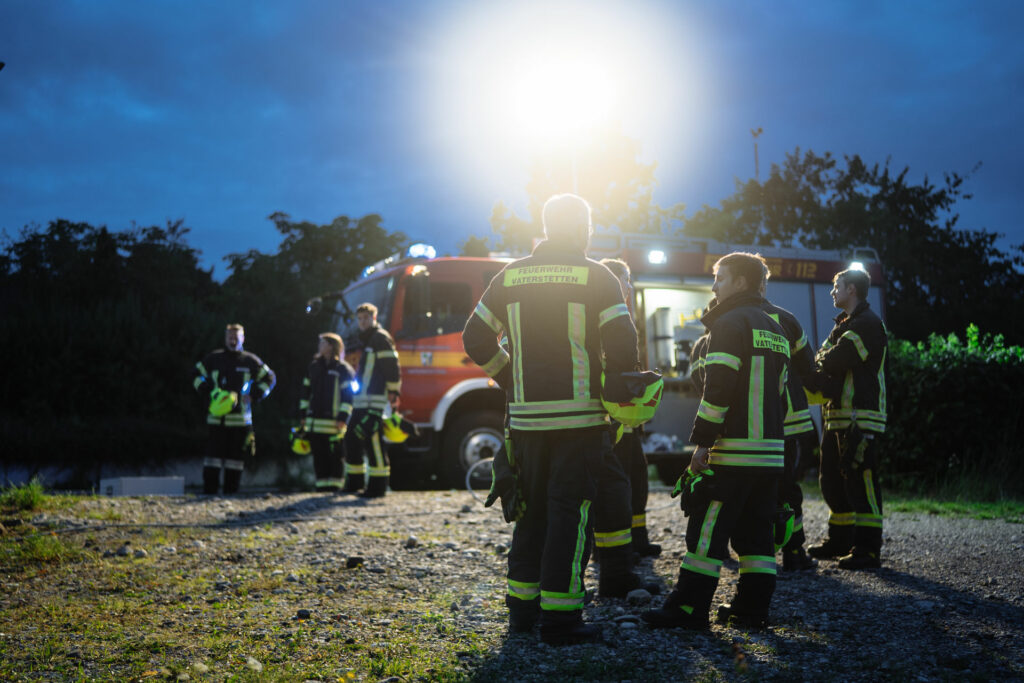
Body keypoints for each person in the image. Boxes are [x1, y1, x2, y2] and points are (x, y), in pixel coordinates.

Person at [462, 193, 639, 645]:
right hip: (579, 421)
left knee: (530, 511)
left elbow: (475, 336)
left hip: (524, 422)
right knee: (571, 513)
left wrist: (510, 380)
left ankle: (522, 612)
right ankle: (561, 619)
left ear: (545, 227)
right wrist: (619, 396)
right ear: (584, 228)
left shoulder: (511, 275)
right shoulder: (597, 275)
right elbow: (621, 345)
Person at [643, 252, 789, 630]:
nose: (713, 286)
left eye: (719, 279)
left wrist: (702, 444)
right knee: (757, 538)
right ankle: (751, 610)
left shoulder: (728, 324)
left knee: (706, 532)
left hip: (733, 454)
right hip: (770, 455)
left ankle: (688, 609)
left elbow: (718, 389)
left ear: (740, 282)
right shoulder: (776, 329)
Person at [806, 268, 887, 570]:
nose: (832, 292)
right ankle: (840, 540)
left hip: (859, 417)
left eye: (836, 286)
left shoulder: (867, 324)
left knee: (861, 480)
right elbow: (823, 361)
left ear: (852, 289)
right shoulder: (844, 324)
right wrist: (822, 360)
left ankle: (868, 550)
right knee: (832, 481)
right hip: (837, 416)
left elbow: (835, 359)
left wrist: (822, 360)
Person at [599, 258, 662, 560]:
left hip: (624, 417)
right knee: (615, 485)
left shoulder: (620, 314)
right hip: (607, 418)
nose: (629, 285)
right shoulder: (599, 315)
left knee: (636, 478)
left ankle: (638, 539)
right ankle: (610, 550)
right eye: (625, 279)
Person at [760, 280, 819, 571]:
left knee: (754, 488)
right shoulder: (787, 319)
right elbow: (808, 365)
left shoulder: (732, 321)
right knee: (787, 488)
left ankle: (758, 554)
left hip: (750, 423)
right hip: (790, 420)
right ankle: (794, 552)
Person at [193, 324, 276, 495]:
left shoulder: (250, 360)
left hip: (239, 421)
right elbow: (195, 373)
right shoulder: (214, 358)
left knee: (235, 462)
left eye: (236, 338)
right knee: (212, 461)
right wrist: (207, 391)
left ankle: (230, 496)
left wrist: (255, 394)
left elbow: (270, 378)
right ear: (225, 338)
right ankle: (209, 496)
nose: (233, 341)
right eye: (230, 337)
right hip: (216, 420)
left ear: (242, 339)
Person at [343, 303, 401, 498]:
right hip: (361, 401)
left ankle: (377, 487)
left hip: (375, 400)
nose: (363, 322)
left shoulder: (380, 338)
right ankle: (354, 483)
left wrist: (393, 393)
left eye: (366, 318)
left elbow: (391, 366)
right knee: (351, 437)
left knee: (373, 442)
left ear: (374, 319)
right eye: (360, 319)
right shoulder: (367, 340)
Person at [299, 332, 356, 491]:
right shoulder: (313, 367)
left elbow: (348, 397)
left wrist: (343, 417)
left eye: (323, 343)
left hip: (334, 423)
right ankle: (321, 488)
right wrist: (303, 415)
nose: (320, 347)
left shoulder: (343, 369)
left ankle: (335, 488)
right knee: (319, 457)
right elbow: (305, 393)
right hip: (315, 423)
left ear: (331, 346)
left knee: (336, 457)